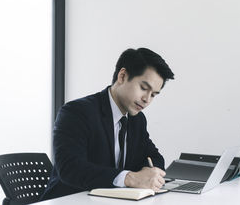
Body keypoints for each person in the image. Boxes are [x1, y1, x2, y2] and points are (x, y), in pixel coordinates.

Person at [41, 48, 174, 200]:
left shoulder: (137, 120)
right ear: (122, 76)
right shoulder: (76, 112)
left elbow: (155, 158)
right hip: (67, 200)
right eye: (144, 88)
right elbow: (70, 169)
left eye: (154, 95)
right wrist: (130, 178)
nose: (147, 99)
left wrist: (148, 173)